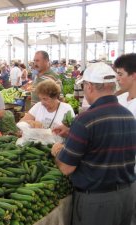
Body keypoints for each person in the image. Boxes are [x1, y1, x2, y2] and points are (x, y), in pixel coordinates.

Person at [51, 62, 136, 225]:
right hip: (127, 195)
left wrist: (58, 151)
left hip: (98, 202)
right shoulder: (128, 115)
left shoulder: (86, 119)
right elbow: (107, 142)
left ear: (89, 87)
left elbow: (66, 168)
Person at [114, 53, 136, 225]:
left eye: (120, 74)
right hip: (117, 171)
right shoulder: (119, 100)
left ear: (133, 75)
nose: (117, 78)